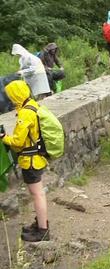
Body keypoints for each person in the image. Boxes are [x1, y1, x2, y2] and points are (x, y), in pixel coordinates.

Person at [0, 80, 50, 242]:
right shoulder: (33, 105)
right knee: (39, 193)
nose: (10, 99)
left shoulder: (25, 114)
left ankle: (42, 231)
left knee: (37, 194)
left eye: (11, 96)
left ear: (16, 95)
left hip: (30, 160)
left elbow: (18, 142)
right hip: (37, 157)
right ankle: (40, 224)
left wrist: (4, 138)